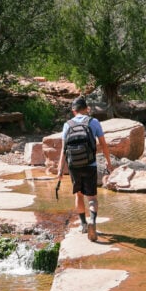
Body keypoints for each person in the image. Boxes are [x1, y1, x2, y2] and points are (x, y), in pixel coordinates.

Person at [56, 96, 113, 242]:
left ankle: (83, 224)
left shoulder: (67, 125)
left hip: (74, 166)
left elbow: (63, 149)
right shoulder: (93, 122)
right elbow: (103, 145)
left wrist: (60, 169)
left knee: (79, 195)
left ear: (73, 111)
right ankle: (92, 220)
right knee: (92, 198)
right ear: (86, 109)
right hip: (90, 164)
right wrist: (109, 162)